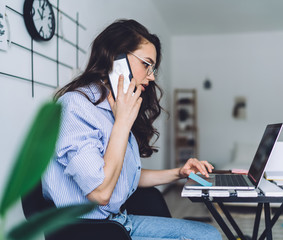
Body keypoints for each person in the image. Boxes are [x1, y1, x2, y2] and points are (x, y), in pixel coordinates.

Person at [42, 19, 222, 240]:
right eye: (146, 64)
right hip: (90, 231)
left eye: (153, 68)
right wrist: (122, 123)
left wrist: (179, 173)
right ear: (116, 58)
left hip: (117, 222)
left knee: (209, 234)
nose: (152, 76)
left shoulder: (114, 109)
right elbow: (101, 192)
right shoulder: (75, 106)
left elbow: (125, 177)